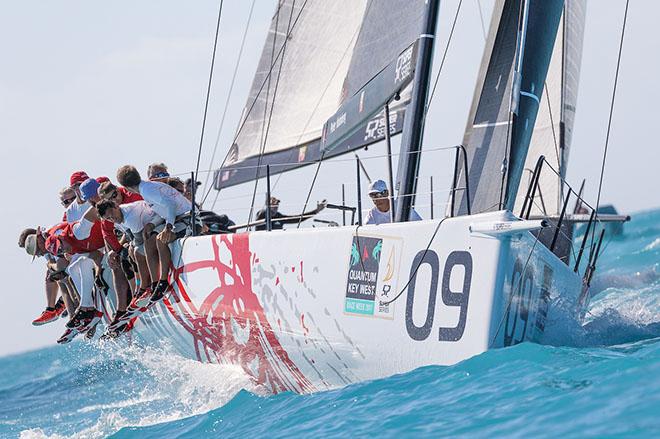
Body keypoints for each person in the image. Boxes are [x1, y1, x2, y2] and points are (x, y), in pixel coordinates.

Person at [117, 165, 193, 303]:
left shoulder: (147, 190)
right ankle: (154, 284)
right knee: (149, 241)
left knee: (160, 240)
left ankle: (163, 282)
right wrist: (151, 224)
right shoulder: (147, 188)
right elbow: (163, 209)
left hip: (189, 219)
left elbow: (170, 205)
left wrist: (168, 227)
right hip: (180, 218)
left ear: (126, 188)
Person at [24, 222, 105, 343]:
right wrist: (53, 267)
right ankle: (74, 318)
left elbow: (61, 265)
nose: (40, 255)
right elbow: (58, 267)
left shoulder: (53, 236)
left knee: (67, 274)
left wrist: (51, 266)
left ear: (39, 241)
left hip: (91, 252)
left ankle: (85, 312)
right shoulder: (46, 244)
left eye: (38, 252)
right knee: (61, 278)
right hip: (80, 257)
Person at [97, 199, 163, 314]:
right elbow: (130, 236)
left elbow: (139, 240)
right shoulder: (118, 219)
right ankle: (139, 289)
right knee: (131, 253)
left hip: (161, 219)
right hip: (147, 227)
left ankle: (146, 287)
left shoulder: (130, 215)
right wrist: (117, 250)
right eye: (108, 218)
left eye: (112, 214)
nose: (112, 219)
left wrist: (131, 246)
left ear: (116, 206)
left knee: (137, 252)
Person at [255, 197, 327, 231]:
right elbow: (258, 218)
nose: (276, 206)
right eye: (273, 205)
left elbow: (297, 219)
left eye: (277, 204)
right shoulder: (262, 214)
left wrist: (316, 211)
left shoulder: (279, 216)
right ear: (268, 206)